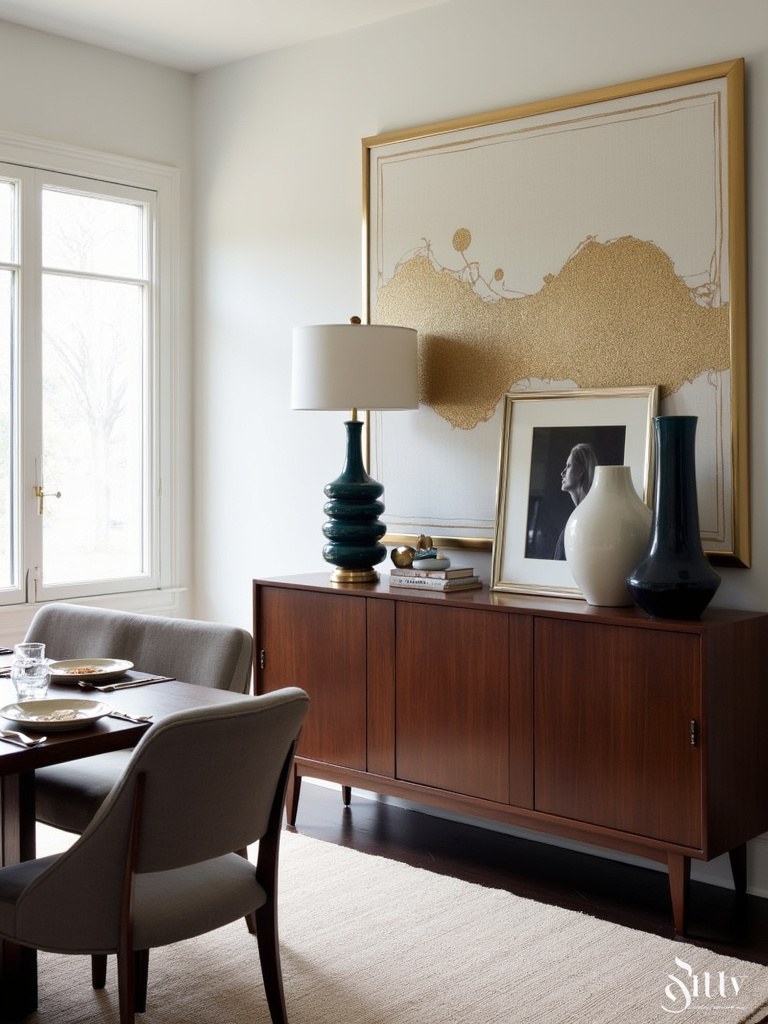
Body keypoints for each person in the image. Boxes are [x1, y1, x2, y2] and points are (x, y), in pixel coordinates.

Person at [553, 442, 598, 559]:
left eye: (568, 466)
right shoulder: (577, 518)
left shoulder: (590, 519)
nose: (562, 473)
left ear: (581, 471)